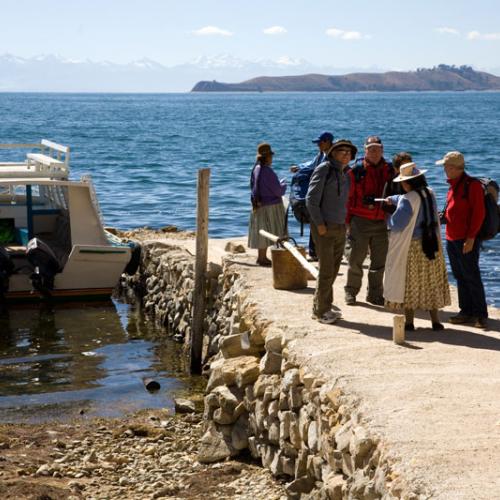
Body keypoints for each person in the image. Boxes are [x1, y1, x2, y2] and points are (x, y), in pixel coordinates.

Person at [383, 163, 451, 330]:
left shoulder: (407, 199)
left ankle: (409, 322)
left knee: (409, 283)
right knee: (430, 282)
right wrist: (395, 198)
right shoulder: (430, 193)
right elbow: (413, 199)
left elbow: (398, 224)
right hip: (432, 245)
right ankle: (435, 320)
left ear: (407, 183)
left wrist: (387, 218)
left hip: (413, 248)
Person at [306, 139, 357, 324]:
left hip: (340, 226)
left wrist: (346, 223)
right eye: (342, 151)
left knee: (334, 269)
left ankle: (320, 306)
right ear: (333, 153)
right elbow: (311, 199)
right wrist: (319, 224)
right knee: (327, 270)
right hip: (324, 227)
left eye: (349, 152)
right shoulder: (324, 169)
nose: (346, 154)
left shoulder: (345, 173)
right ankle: (321, 311)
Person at [436, 151, 488, 328]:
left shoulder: (471, 185)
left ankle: (480, 314)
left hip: (466, 239)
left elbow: (478, 214)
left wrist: (471, 238)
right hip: (452, 238)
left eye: (445, 166)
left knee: (471, 275)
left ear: (454, 168)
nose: (443, 169)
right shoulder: (453, 185)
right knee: (460, 275)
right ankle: (466, 311)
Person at [344, 135, 395, 306]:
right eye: (370, 149)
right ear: (365, 150)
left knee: (379, 262)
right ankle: (351, 292)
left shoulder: (390, 169)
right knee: (355, 260)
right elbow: (347, 199)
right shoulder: (355, 171)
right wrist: (347, 223)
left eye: (377, 149)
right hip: (360, 221)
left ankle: (374, 295)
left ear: (382, 150)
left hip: (382, 221)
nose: (374, 152)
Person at [290, 131, 334, 260]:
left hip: (327, 195)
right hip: (318, 193)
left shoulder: (333, 156)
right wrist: (299, 167)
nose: (318, 145)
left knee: (322, 222)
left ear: (327, 142)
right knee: (315, 220)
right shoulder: (321, 154)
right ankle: (314, 252)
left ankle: (321, 252)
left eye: (320, 143)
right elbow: (311, 165)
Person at [248, 142, 287, 266]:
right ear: (267, 157)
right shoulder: (267, 171)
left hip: (259, 204)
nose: (272, 158)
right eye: (271, 156)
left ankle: (261, 257)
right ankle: (278, 257)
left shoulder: (256, 169)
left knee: (263, 230)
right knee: (278, 230)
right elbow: (278, 191)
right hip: (272, 205)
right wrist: (284, 184)